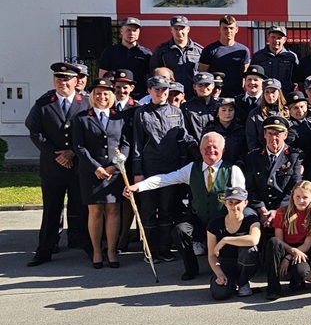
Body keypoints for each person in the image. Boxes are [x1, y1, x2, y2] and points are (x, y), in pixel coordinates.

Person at [124, 131, 244, 280]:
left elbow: (241, 201)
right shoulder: (192, 168)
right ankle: (191, 268)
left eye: (215, 147)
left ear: (223, 150)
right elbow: (165, 179)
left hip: (222, 222)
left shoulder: (233, 170)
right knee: (180, 230)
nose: (211, 151)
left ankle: (225, 266)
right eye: (207, 147)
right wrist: (138, 186)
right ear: (200, 150)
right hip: (199, 220)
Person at [129, 74, 199, 263]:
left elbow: (183, 140)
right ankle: (150, 250)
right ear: (149, 91)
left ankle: (165, 249)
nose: (161, 93)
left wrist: (187, 161)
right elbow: (137, 144)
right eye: (157, 90)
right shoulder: (141, 113)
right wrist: (137, 172)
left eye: (164, 90)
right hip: (149, 167)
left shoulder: (176, 112)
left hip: (171, 168)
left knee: (167, 209)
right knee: (149, 211)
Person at [26, 62, 90, 266]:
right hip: (52, 167)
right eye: (58, 79)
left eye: (66, 79)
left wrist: (72, 152)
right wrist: (56, 155)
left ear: (75, 81)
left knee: (83, 210)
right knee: (51, 211)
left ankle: (91, 249)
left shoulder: (86, 103)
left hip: (79, 167)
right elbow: (35, 132)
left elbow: (92, 132)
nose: (62, 82)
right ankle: (44, 251)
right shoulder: (44, 103)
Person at [71, 77, 131, 268]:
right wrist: (95, 167)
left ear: (111, 95)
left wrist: (114, 166)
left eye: (105, 93)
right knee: (95, 211)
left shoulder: (119, 117)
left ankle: (111, 251)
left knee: (113, 210)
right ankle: (97, 251)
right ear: (92, 96)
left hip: (114, 172)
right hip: (91, 172)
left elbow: (126, 145)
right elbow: (79, 146)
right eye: (97, 93)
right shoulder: (82, 118)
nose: (101, 97)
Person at [243, 115, 303, 230]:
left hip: (285, 206)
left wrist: (278, 211)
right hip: (259, 206)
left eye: (277, 134)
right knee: (247, 217)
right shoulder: (253, 157)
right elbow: (250, 187)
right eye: (270, 133)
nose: (273, 138)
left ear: (285, 135)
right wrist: (261, 209)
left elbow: (294, 187)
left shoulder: (295, 156)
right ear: (264, 135)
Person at [267, 181, 311, 298]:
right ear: (292, 196)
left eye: (305, 197)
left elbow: (307, 244)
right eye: (297, 196)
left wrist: (289, 258)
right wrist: (290, 252)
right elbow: (278, 240)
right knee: (273, 242)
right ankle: (273, 288)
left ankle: (296, 280)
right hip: (284, 247)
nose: (301, 200)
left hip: (301, 249)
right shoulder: (282, 212)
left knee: (301, 273)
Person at [206, 187, 261, 300]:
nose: (234, 206)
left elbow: (253, 240)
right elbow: (211, 255)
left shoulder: (252, 220)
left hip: (245, 262)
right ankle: (230, 283)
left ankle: (243, 282)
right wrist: (219, 274)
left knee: (249, 249)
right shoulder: (214, 224)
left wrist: (225, 240)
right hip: (225, 263)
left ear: (245, 203)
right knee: (220, 294)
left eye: (238, 202)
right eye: (230, 202)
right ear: (225, 203)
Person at [98, 17, 153, 99]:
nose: (131, 33)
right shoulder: (110, 51)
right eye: (128, 30)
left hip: (139, 97)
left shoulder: (146, 54)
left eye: (134, 30)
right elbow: (103, 75)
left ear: (139, 32)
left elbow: (151, 76)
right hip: (115, 96)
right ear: (121, 31)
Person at [198, 15, 251, 98]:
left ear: (236, 29)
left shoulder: (243, 51)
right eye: (225, 28)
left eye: (231, 28)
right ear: (219, 29)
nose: (228, 31)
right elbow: (203, 74)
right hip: (215, 94)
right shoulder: (209, 50)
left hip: (237, 95)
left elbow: (245, 75)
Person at [150, 15, 203, 91]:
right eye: (176, 29)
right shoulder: (162, 51)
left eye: (182, 28)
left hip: (193, 93)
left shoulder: (199, 51)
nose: (179, 32)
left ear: (188, 29)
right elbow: (153, 74)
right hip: (171, 94)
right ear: (171, 29)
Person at [251, 24, 299, 92]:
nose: (276, 40)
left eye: (279, 38)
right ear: (268, 38)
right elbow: (253, 75)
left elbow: (296, 77)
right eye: (273, 37)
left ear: (285, 40)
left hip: (285, 94)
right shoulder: (258, 56)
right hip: (265, 94)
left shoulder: (291, 57)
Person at [203, 98, 247, 168]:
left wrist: (240, 162)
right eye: (223, 110)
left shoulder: (241, 131)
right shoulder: (210, 131)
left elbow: (245, 150)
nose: (227, 113)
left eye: (231, 110)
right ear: (217, 112)